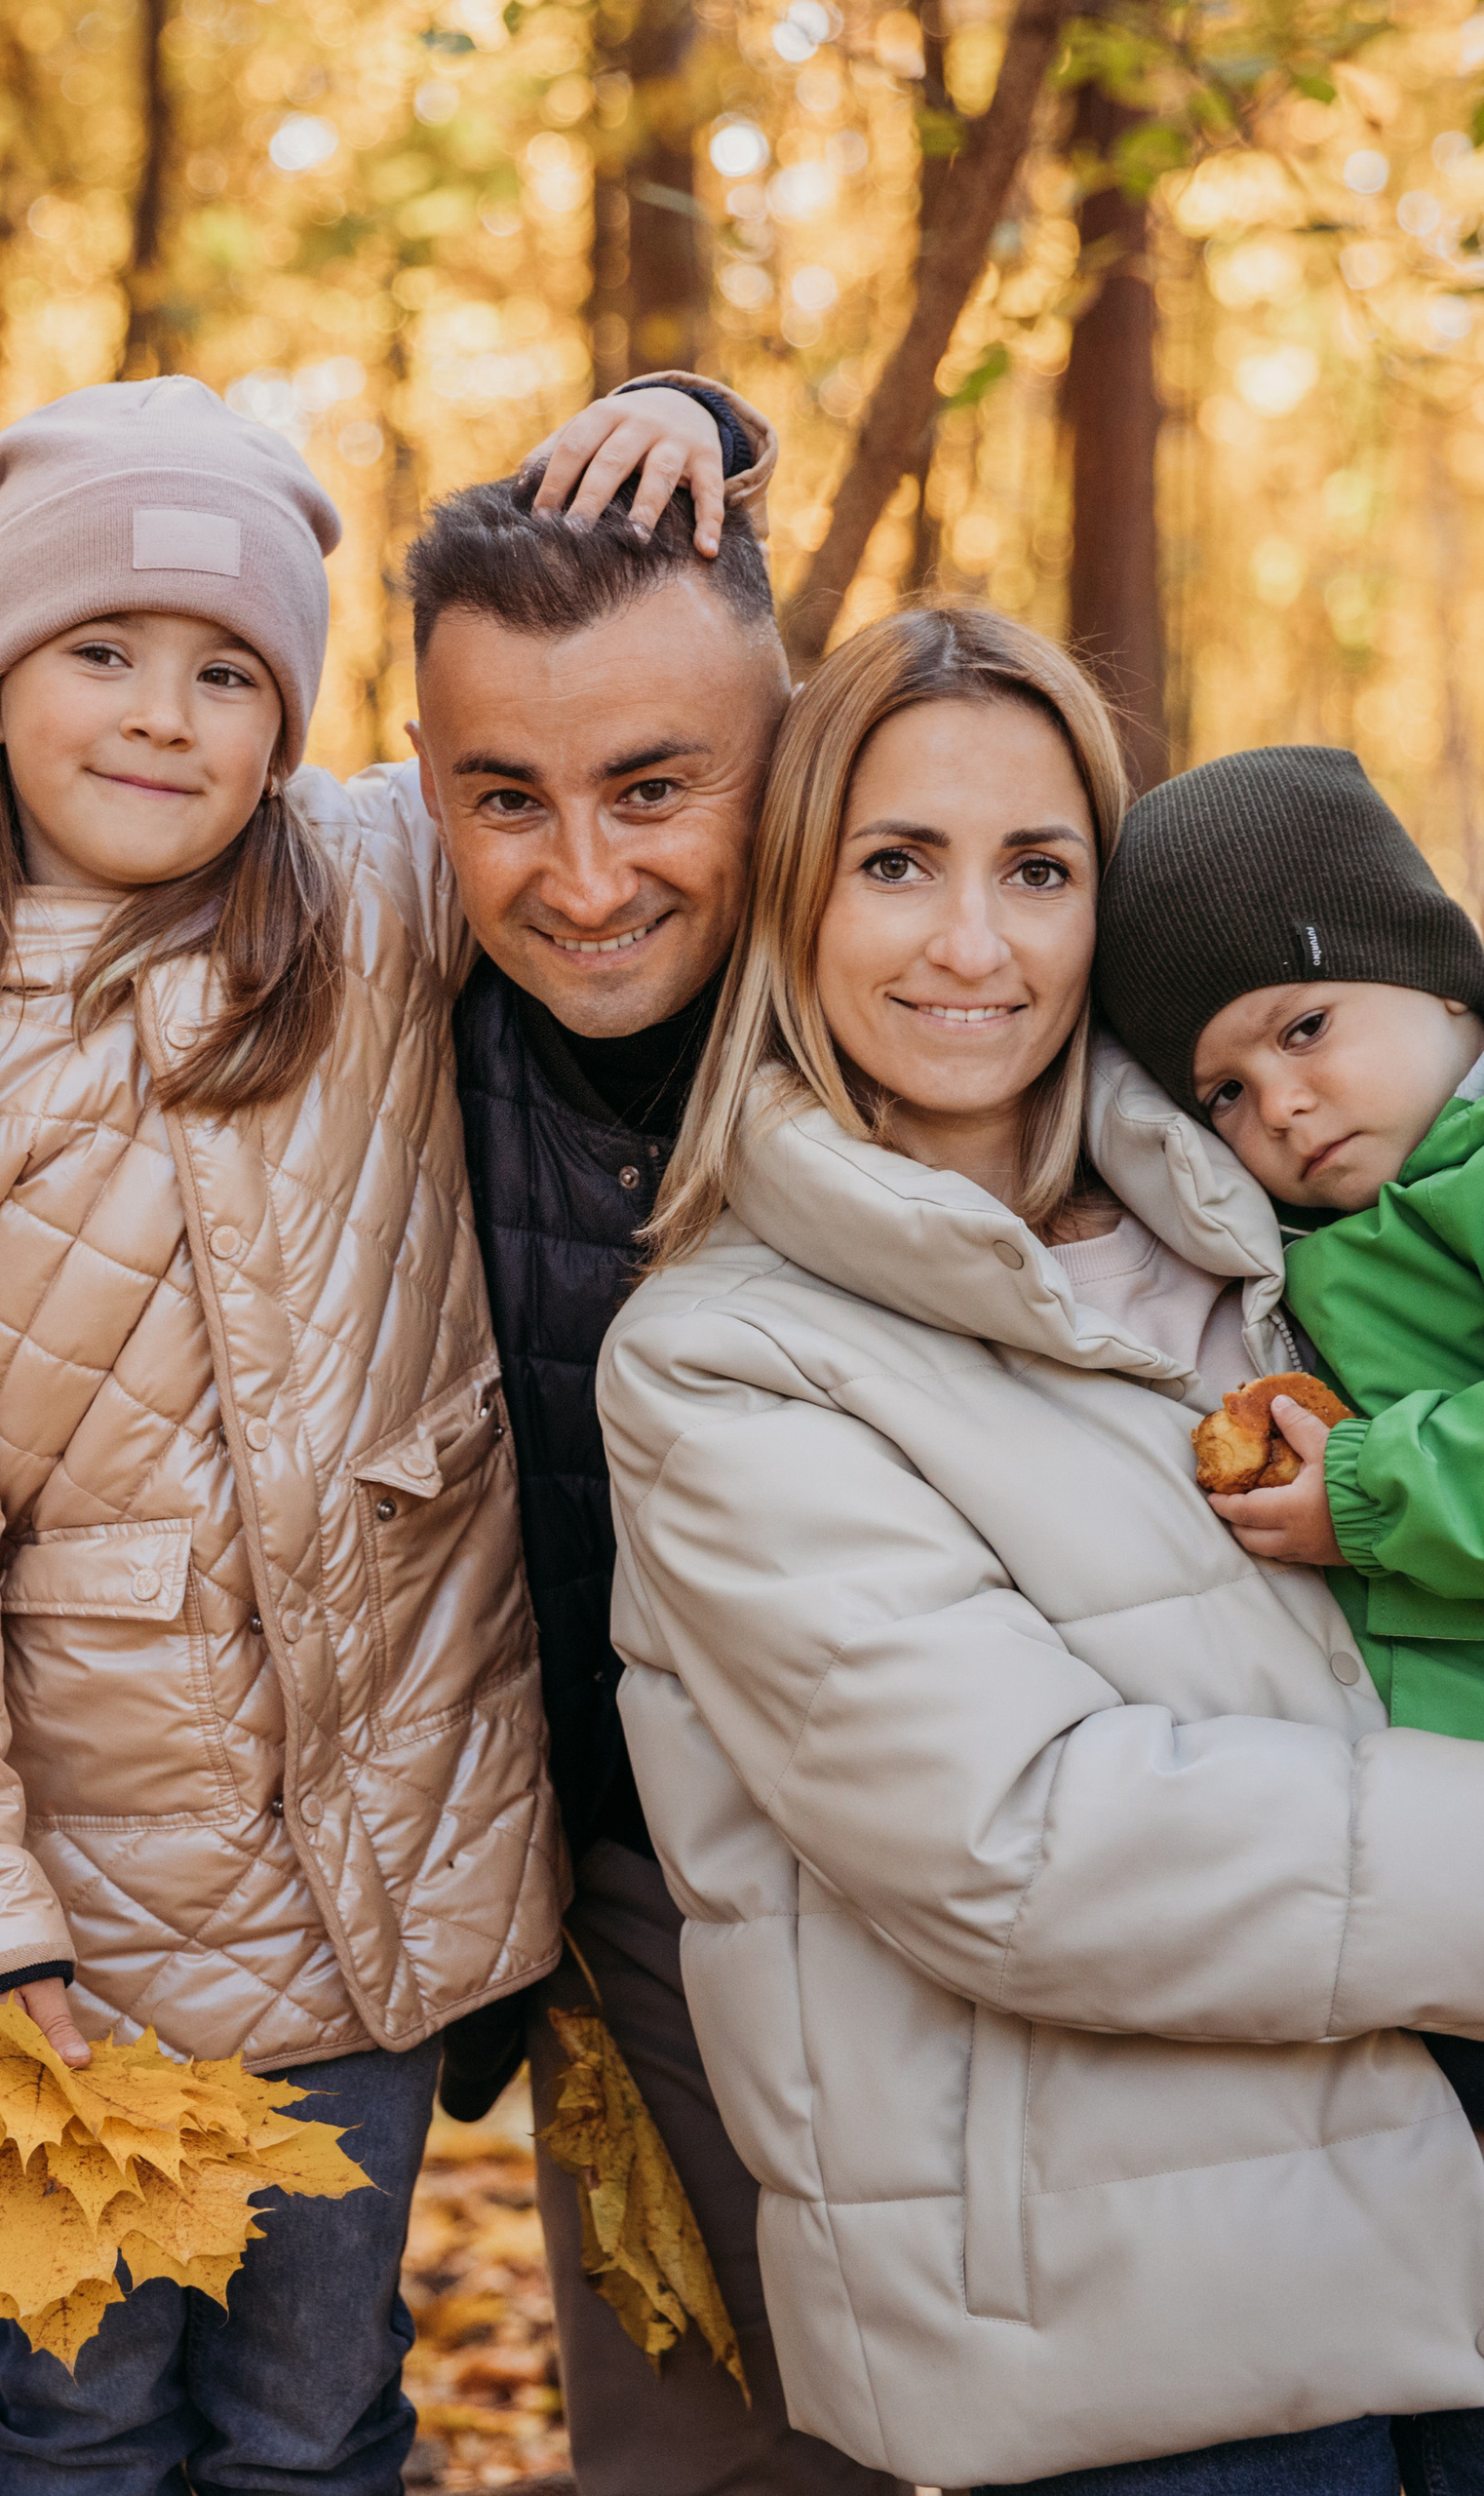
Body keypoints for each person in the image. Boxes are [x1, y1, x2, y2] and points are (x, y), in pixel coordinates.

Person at [595, 604, 1484, 2492]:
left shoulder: (1276, 1210)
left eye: (1037, 867)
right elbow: (1029, 1836)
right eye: (894, 863)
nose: (970, 942)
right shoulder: (722, 1360)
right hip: (1139, 2301)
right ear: (792, 902)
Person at [0, 376, 567, 2496]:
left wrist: (677, 429)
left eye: (228, 672)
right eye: (100, 649)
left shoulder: (371, 895)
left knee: (317, 2405)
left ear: (290, 718)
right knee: (81, 2411)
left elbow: (599, 772)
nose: (160, 713)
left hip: (381, 1868)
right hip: (81, 1918)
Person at [404, 455, 900, 2495]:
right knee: (712, 2457)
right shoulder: (379, 991)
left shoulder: (924, 980)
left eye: (652, 786)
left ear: (783, 772)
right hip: (635, 1905)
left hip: (980, 1852)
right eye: (503, 796)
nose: (582, 878)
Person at [1097, 745, 1484, 2176]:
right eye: (1220, 1091)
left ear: (1439, 973)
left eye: (1303, 1028)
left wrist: (1367, 1494)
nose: (1276, 1106)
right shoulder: (1353, 1223)